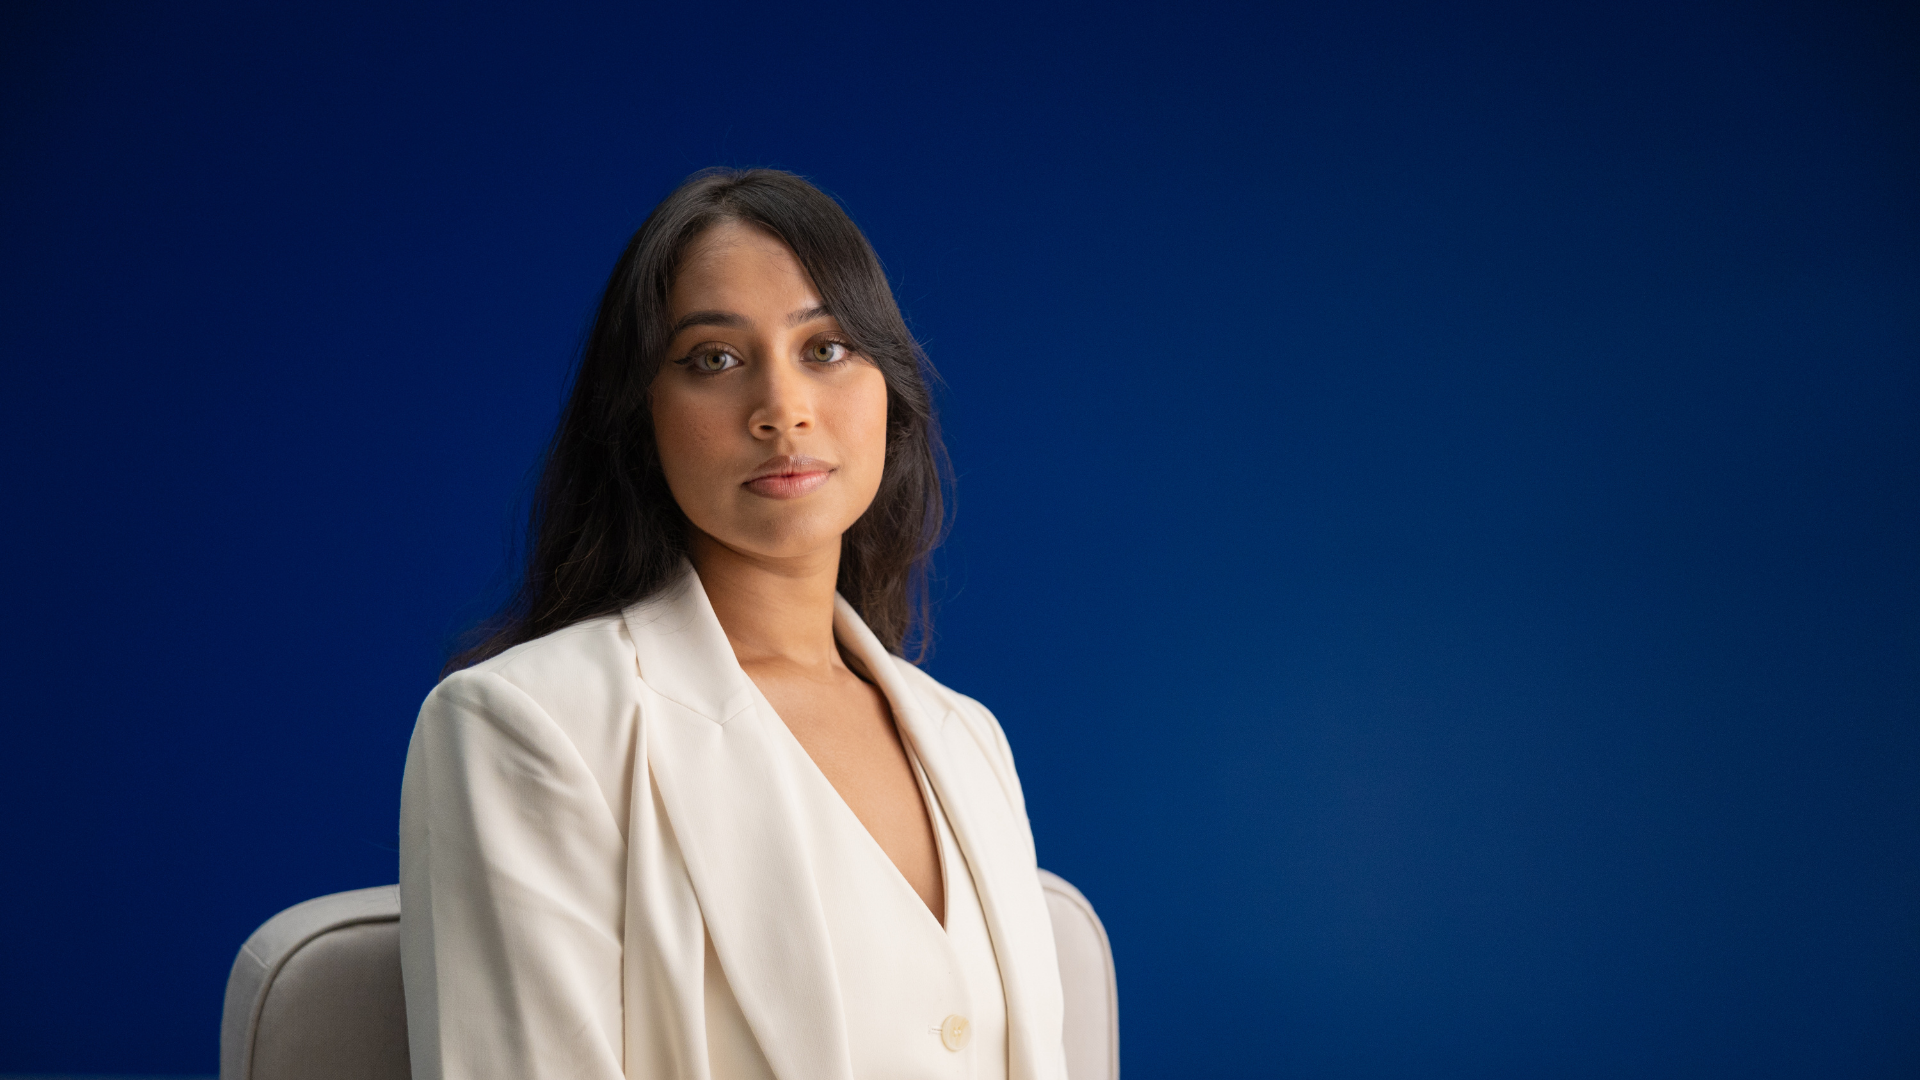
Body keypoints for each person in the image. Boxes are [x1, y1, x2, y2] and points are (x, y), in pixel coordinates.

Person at [398, 168, 1068, 1080]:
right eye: (714, 358)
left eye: (826, 347)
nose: (782, 409)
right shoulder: (525, 726)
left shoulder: (968, 740)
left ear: (890, 391)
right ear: (639, 418)